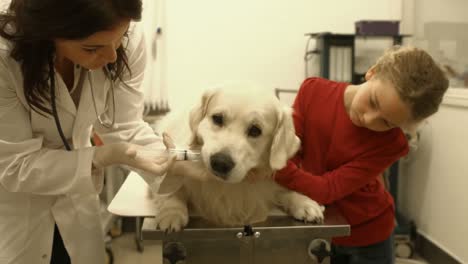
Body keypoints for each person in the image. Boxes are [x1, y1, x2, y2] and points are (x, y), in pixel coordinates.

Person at [0, 0, 180, 263]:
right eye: (92, 48)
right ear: (48, 32)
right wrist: (102, 156)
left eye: (119, 39)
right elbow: (15, 165)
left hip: (78, 208)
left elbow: (123, 125)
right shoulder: (5, 58)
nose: (112, 57)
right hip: (19, 214)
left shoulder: (120, 37)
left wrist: (179, 169)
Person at [274, 46, 449, 264]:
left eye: (386, 122)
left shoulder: (392, 144)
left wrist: (274, 168)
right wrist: (277, 163)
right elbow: (286, 150)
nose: (369, 119)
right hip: (318, 225)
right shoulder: (313, 91)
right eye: (374, 102)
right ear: (372, 72)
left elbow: (325, 188)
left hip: (369, 237)